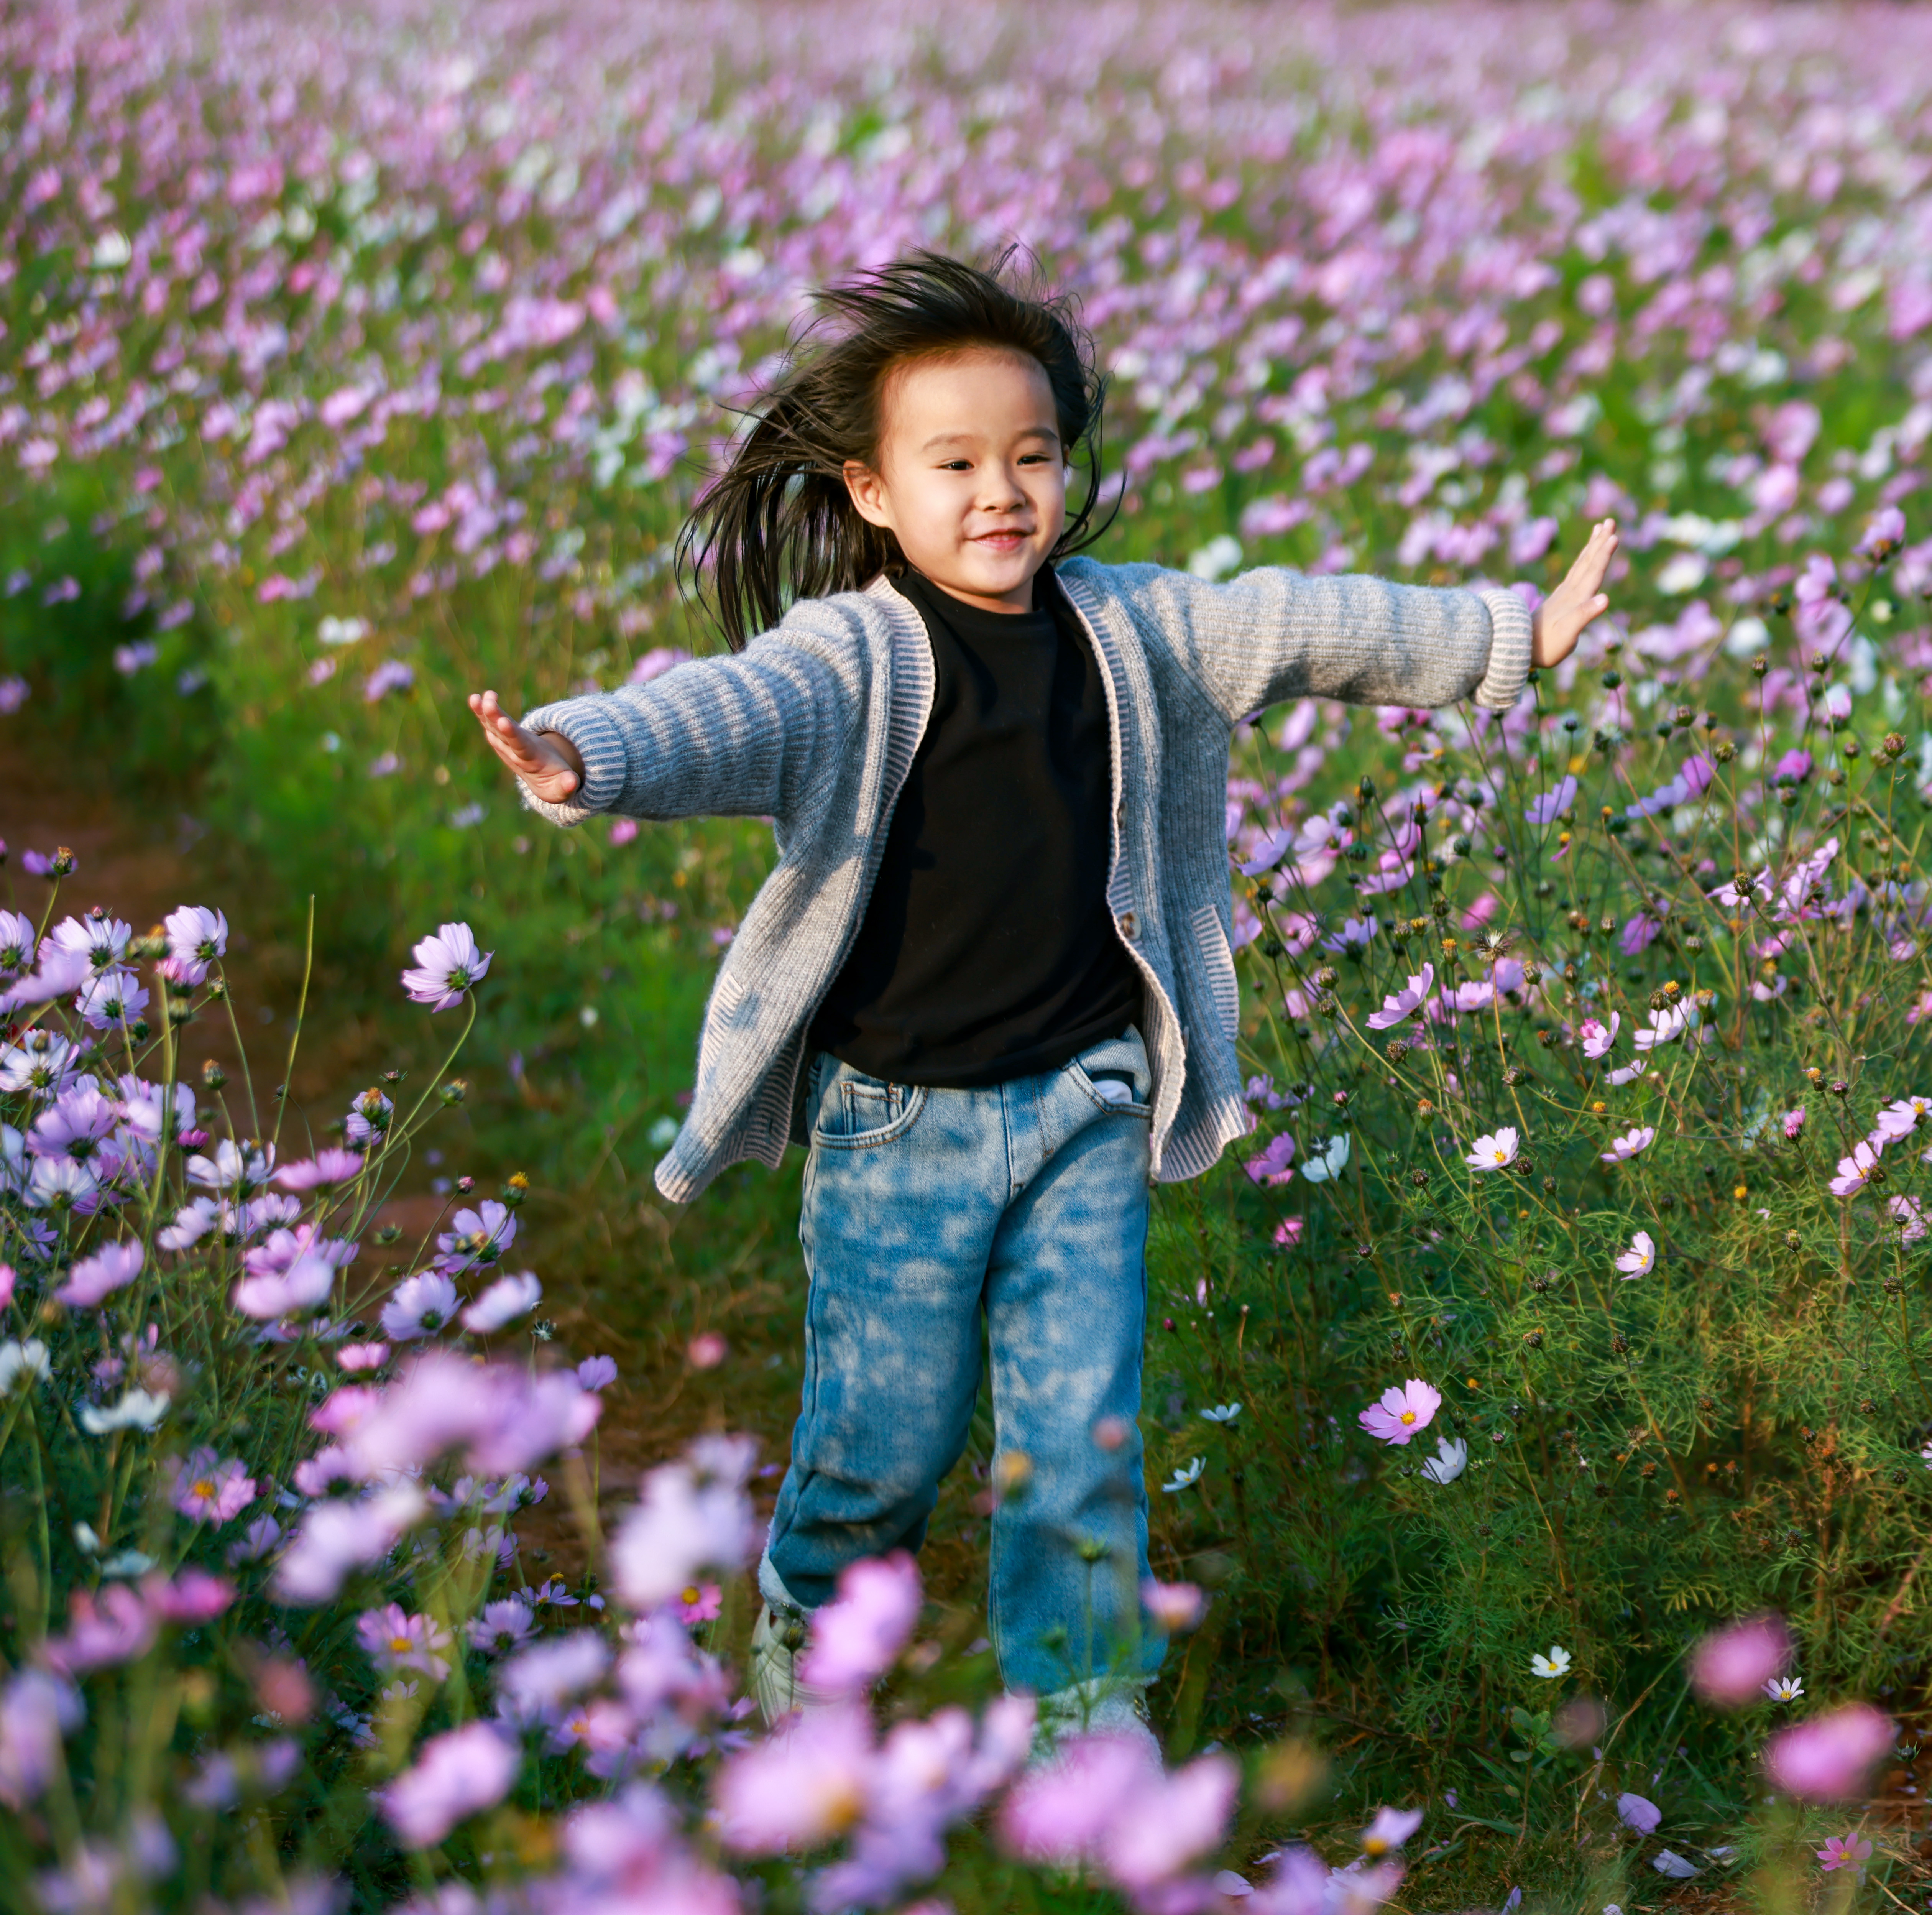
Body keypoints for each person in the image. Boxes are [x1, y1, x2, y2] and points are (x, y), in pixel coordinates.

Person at [465, 249, 1616, 1748]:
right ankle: (816, 1656)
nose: (1001, 491)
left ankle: (1084, 1721)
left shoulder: (1136, 628)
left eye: (1031, 456)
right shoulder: (849, 657)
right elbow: (721, 710)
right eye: (953, 463)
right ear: (873, 493)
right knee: (884, 1444)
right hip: (894, 1129)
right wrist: (588, 753)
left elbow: (1305, 622)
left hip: (1084, 1102)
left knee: (1079, 1438)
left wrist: (1502, 638)